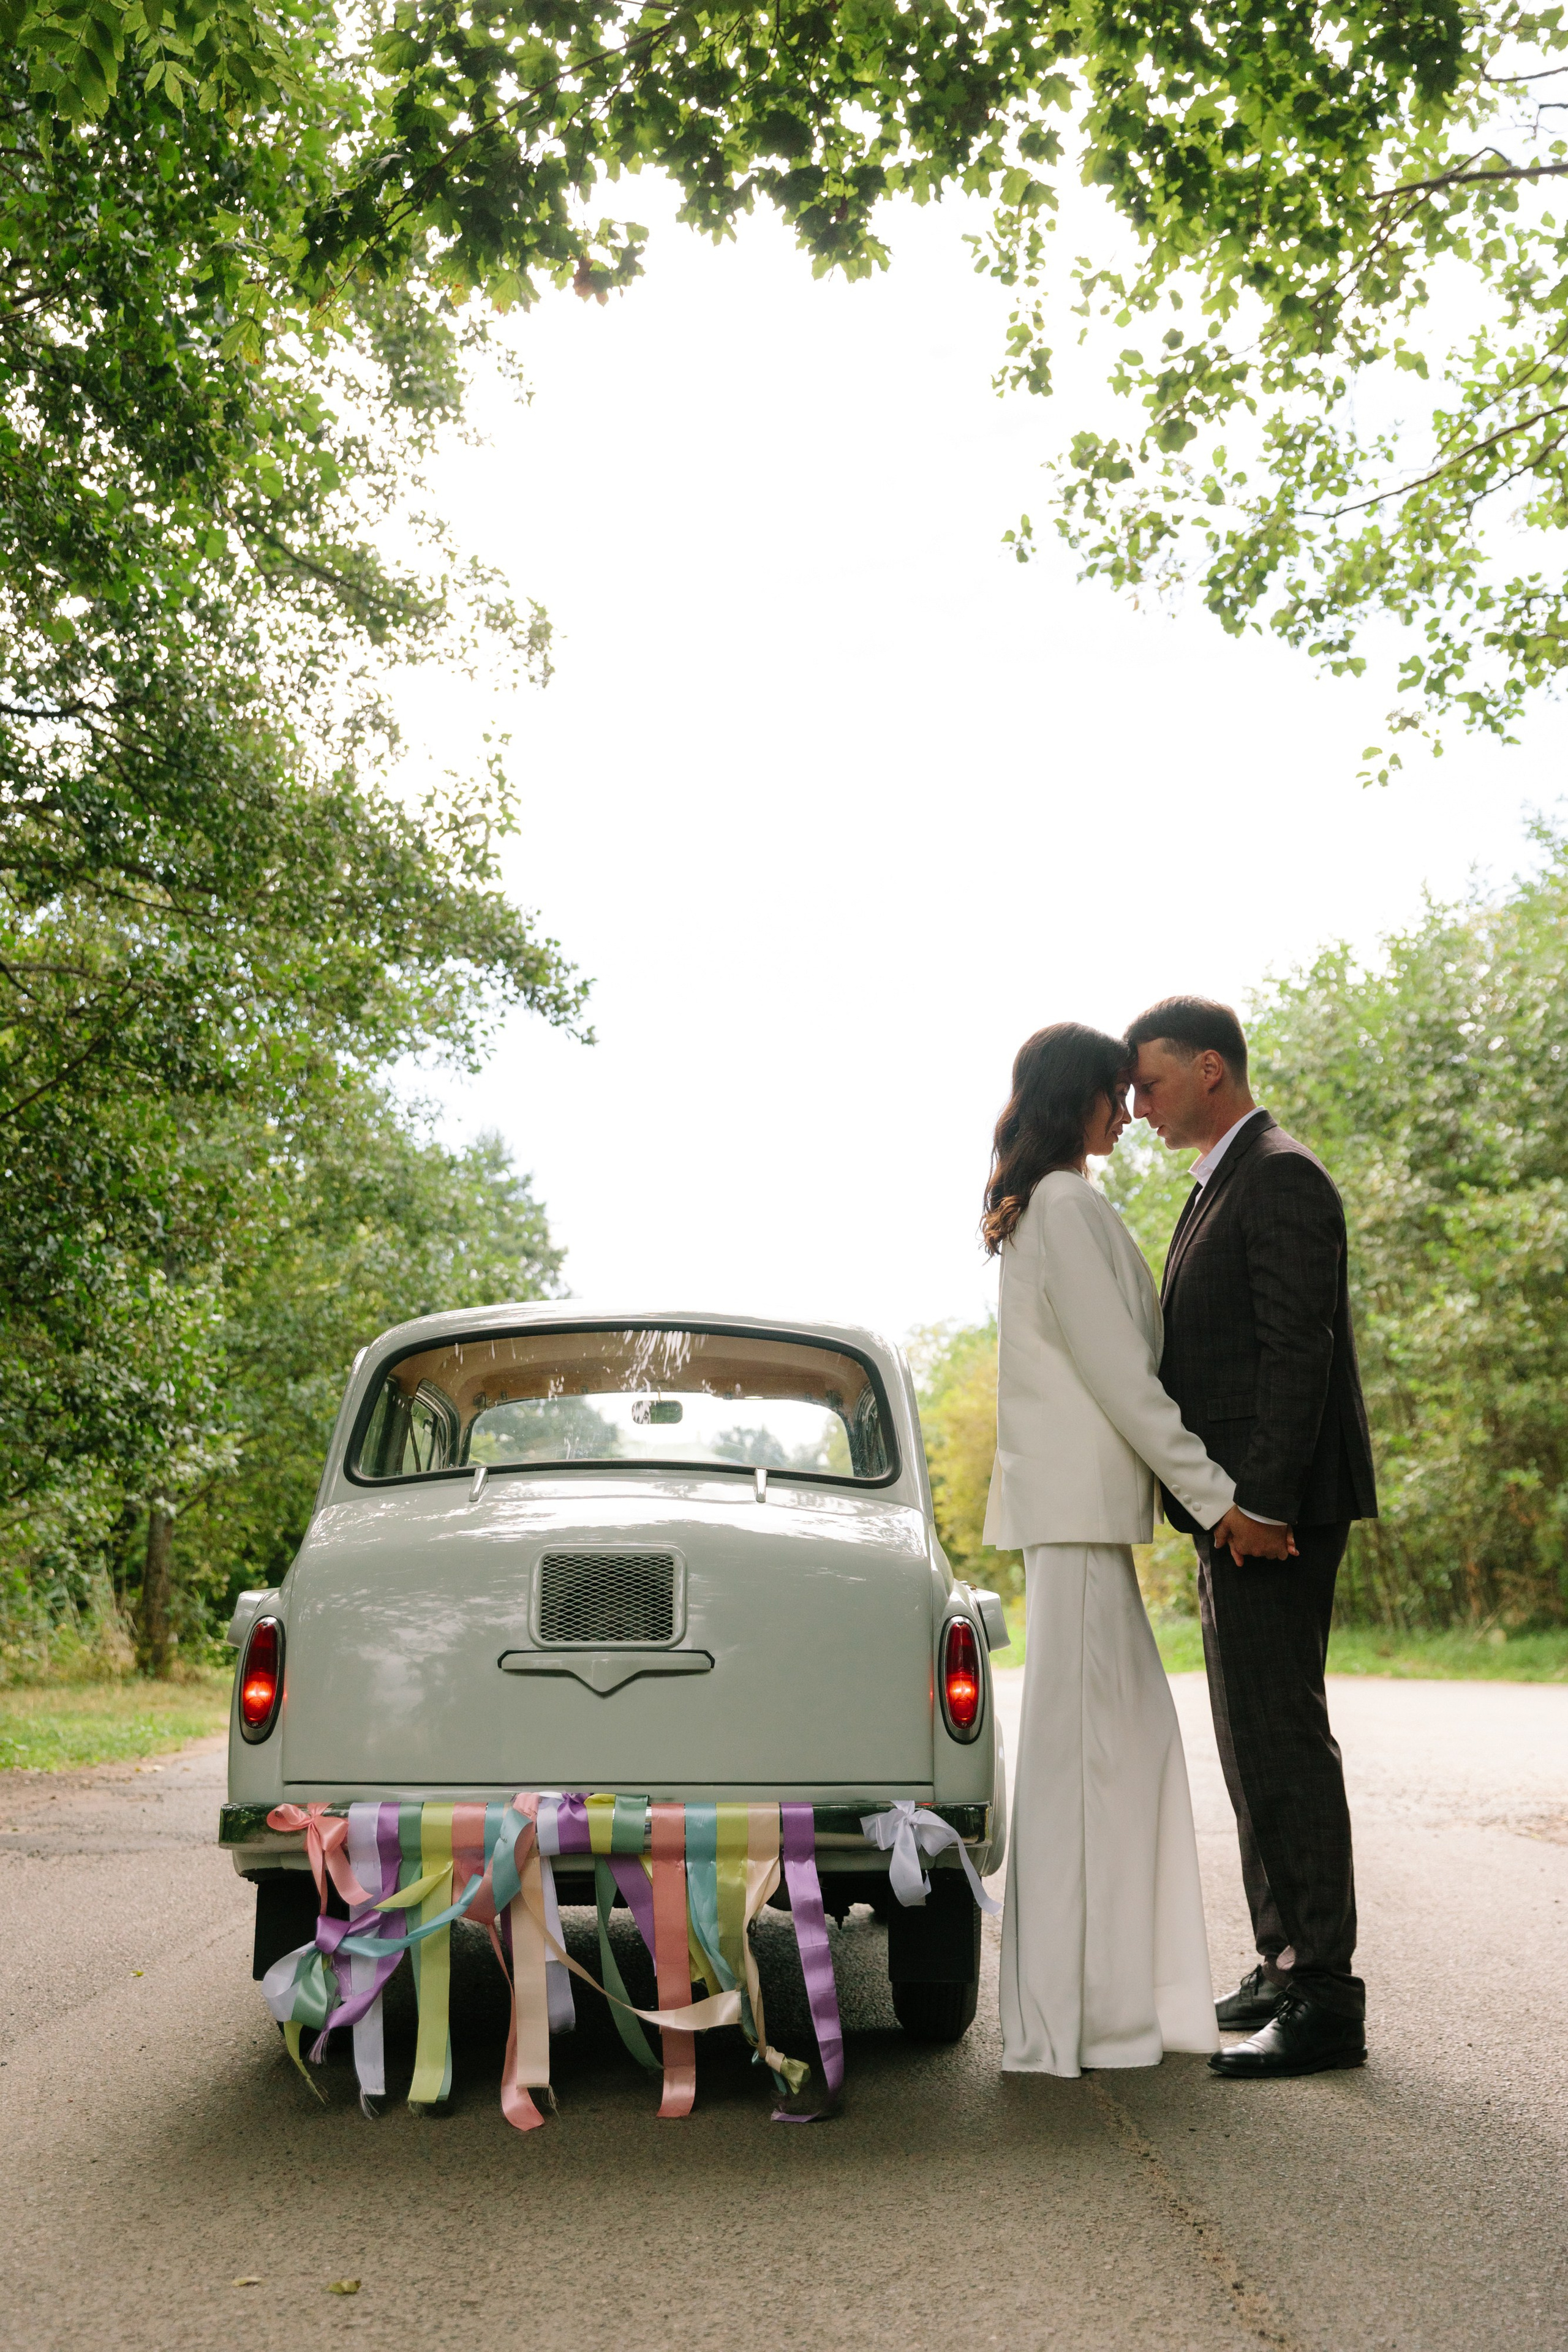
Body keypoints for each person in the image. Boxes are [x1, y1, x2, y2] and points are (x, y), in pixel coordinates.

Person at [981, 1022, 1267, 2078]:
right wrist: (1220, 1500)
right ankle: (1081, 2021)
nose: (1129, 1111)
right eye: (1117, 1092)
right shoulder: (1062, 1206)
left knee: (1108, 1758)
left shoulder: (1053, 1203)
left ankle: (1104, 2011)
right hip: (1078, 1524)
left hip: (1082, 1525)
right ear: (1080, 1098)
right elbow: (1122, 1380)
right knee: (1093, 1765)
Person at [1126, 995, 1378, 2081]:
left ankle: (1328, 1997)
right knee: (1248, 1741)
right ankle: (1283, 1964)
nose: (1139, 1107)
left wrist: (1263, 1505)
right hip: (1234, 1514)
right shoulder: (1218, 1182)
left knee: (1283, 1740)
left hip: (1274, 1515)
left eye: (1150, 1084)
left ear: (1210, 1069)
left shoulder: (1279, 1175)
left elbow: (1296, 1348)